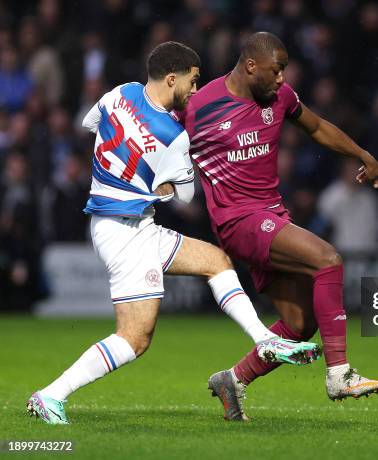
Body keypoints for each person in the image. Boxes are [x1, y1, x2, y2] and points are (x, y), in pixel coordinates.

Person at [26, 41, 320, 425]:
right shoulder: (174, 134)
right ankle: (50, 395)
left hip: (124, 224)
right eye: (193, 82)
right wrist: (164, 182)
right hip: (125, 234)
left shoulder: (120, 93)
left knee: (216, 261)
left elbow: (90, 123)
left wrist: (135, 173)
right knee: (134, 338)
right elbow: (185, 196)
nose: (196, 91)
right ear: (172, 78)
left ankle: (265, 339)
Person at [180, 32, 378, 421]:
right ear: (251, 65)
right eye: (276, 71)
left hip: (271, 217)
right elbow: (159, 141)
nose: (281, 79)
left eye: (284, 71)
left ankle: (234, 380)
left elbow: (318, 127)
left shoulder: (281, 98)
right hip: (237, 221)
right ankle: (339, 373)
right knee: (328, 259)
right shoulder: (200, 105)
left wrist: (361, 154)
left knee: (299, 324)